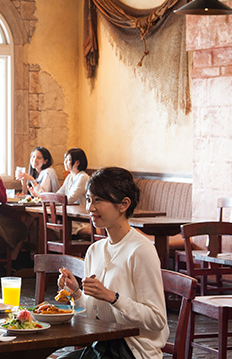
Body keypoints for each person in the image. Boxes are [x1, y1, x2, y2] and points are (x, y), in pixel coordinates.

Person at [57, 167, 168, 359]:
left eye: (98, 200)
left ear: (124, 204)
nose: (90, 208)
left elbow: (157, 320)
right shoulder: (95, 251)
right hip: (102, 347)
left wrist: (112, 297)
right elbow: (93, 317)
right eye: (89, 199)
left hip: (134, 352)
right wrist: (76, 293)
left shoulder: (140, 250)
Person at [48, 147, 91, 235]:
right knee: (51, 221)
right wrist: (52, 199)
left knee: (58, 225)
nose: (65, 163)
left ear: (77, 163)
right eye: (65, 160)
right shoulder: (70, 177)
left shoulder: (83, 177)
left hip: (81, 217)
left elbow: (71, 198)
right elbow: (59, 193)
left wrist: (55, 200)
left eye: (68, 160)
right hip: (70, 214)